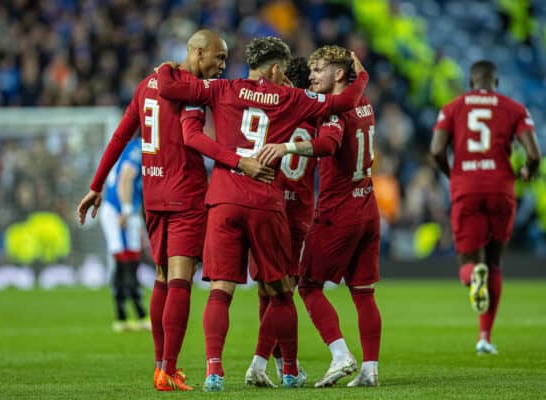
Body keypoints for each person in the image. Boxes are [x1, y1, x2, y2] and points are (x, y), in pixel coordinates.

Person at [156, 36, 368, 391]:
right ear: (275, 68)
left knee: (220, 290)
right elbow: (345, 101)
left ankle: (214, 372)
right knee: (281, 291)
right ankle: (288, 370)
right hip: (268, 201)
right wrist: (360, 76)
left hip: (224, 199)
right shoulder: (292, 97)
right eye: (283, 70)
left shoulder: (222, 88)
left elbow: (167, 87)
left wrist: (168, 66)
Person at [77, 30, 272, 392]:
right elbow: (192, 138)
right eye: (219, 57)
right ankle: (168, 369)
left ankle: (160, 368)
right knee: (181, 280)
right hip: (186, 194)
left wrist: (96, 185)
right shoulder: (189, 91)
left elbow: (121, 135)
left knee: (164, 278)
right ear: (197, 53)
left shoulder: (148, 84)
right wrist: (236, 161)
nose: (222, 66)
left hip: (153, 195)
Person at [257, 45, 382, 388]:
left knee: (309, 286)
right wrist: (364, 75)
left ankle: (341, 354)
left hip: (338, 211)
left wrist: (287, 147)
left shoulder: (333, 112)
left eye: (318, 69)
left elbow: (327, 145)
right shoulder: (363, 101)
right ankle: (370, 370)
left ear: (339, 74)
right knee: (363, 292)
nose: (311, 76)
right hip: (368, 205)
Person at [430, 60, 541, 354]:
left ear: (470, 82)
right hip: (501, 189)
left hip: (466, 188)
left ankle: (471, 276)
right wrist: (529, 171)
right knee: (494, 263)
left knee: (468, 260)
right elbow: (534, 153)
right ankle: (484, 337)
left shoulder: (453, 107)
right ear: (496, 82)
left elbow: (436, 149)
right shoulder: (514, 108)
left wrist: (452, 174)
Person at [246, 56, 316, 386]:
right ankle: (280, 366)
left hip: (264, 206)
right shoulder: (313, 111)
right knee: (285, 290)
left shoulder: (271, 112)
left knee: (266, 290)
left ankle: (280, 367)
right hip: (297, 211)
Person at [99, 135, 150, 333]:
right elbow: (125, 179)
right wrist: (127, 211)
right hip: (117, 211)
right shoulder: (139, 148)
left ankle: (126, 317)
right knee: (126, 263)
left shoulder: (133, 147)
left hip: (127, 210)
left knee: (131, 262)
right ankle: (134, 316)